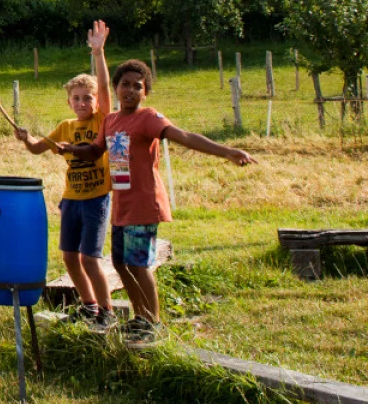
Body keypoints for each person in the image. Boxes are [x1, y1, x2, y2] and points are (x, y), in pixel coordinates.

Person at [92, 39, 256, 348]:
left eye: (137, 86)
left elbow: (184, 136)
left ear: (146, 92)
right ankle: (140, 317)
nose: (129, 90)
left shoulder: (149, 118)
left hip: (144, 202)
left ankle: (152, 322)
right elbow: (93, 150)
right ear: (116, 88)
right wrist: (56, 146)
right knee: (118, 262)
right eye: (125, 84)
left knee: (138, 264)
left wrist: (227, 152)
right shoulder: (111, 120)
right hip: (121, 204)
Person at [11, 22, 117, 332]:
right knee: (70, 257)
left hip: (97, 198)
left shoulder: (102, 121)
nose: (83, 102)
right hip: (71, 199)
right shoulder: (65, 126)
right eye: (77, 98)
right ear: (68, 101)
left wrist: (98, 52)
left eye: (88, 97)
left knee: (89, 258)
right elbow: (36, 149)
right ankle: (89, 306)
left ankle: (107, 311)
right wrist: (25, 138)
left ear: (97, 102)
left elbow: (107, 87)